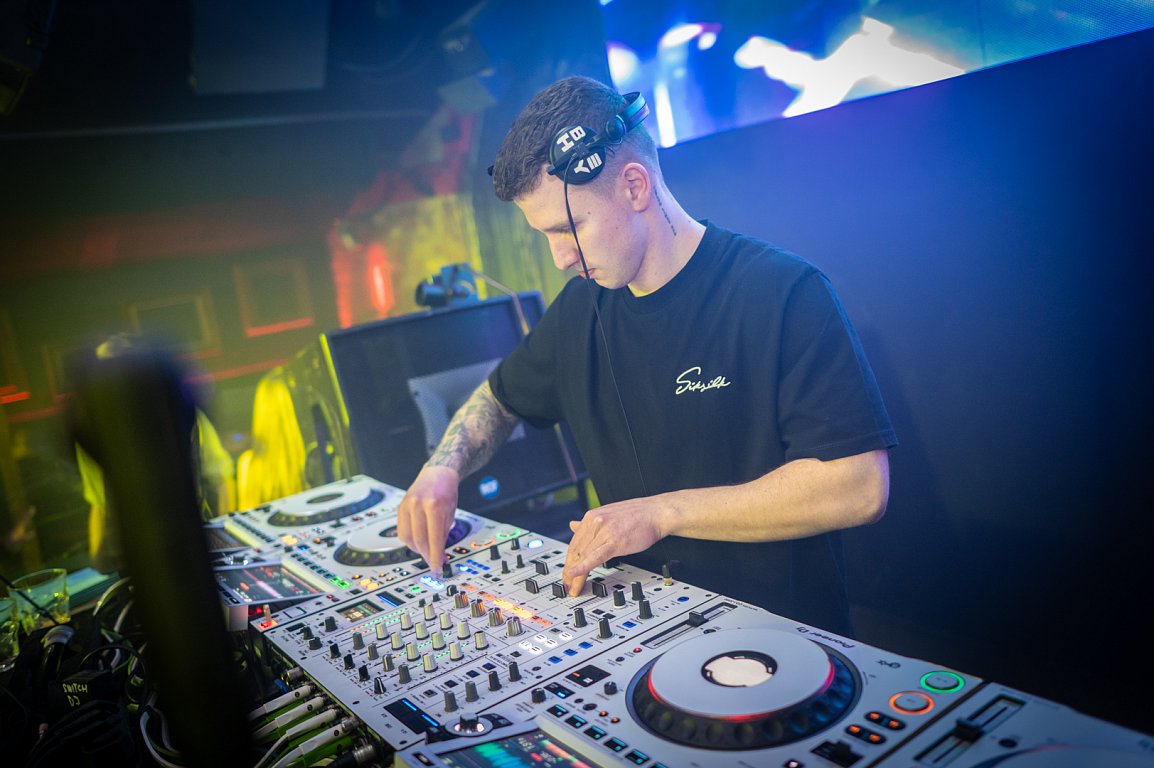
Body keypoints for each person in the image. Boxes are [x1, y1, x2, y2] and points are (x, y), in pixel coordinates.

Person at [397, 76, 896, 635]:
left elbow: (858, 486)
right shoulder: (579, 310)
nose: (560, 258)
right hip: (640, 639)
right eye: (545, 235)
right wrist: (443, 468)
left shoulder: (783, 291)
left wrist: (660, 513)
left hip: (783, 644)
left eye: (570, 228)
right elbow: (499, 397)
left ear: (634, 187)